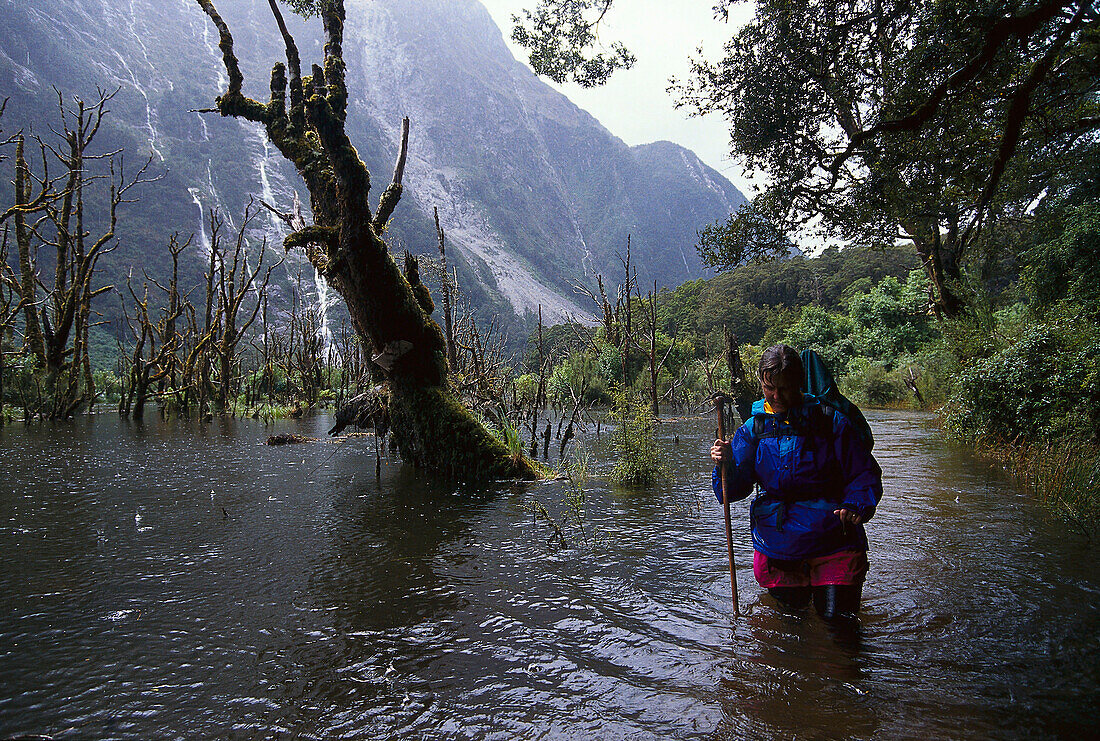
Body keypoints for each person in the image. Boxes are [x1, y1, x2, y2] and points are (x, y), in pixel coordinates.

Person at [710, 344, 883, 619]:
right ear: (761, 383)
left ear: (799, 383)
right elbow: (733, 490)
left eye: (785, 388)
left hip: (834, 539)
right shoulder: (753, 429)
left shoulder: (831, 422)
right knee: (790, 629)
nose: (777, 396)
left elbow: (864, 473)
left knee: (839, 628)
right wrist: (726, 463)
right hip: (779, 544)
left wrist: (856, 504)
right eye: (770, 388)